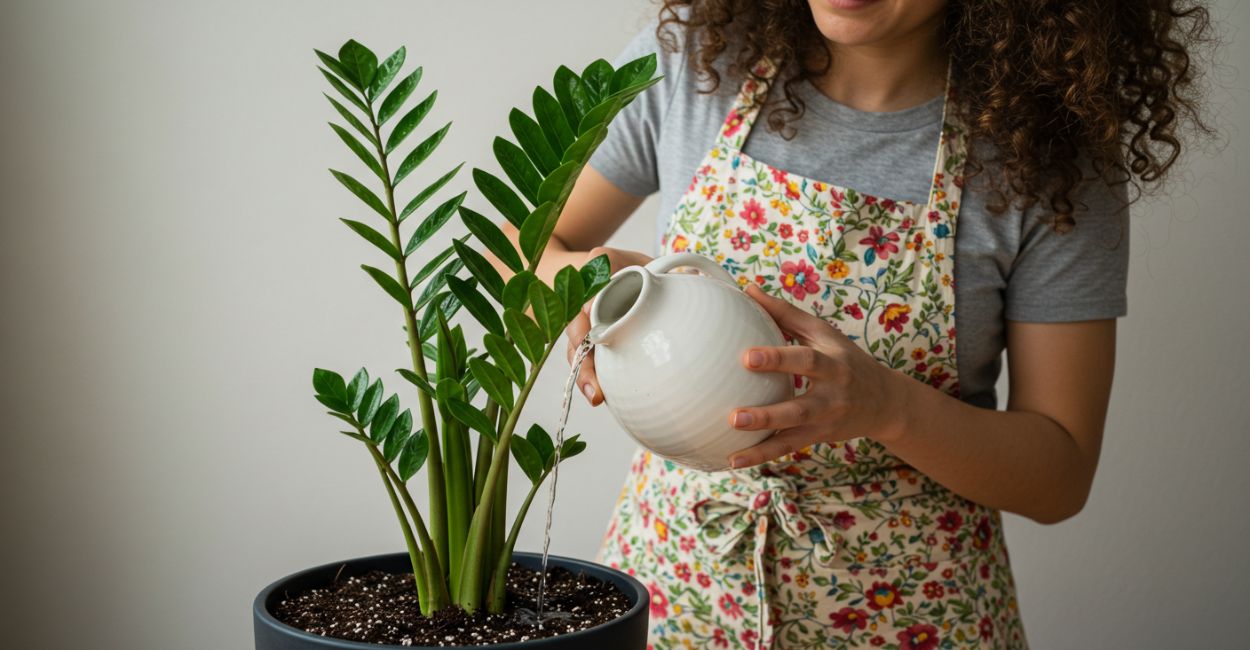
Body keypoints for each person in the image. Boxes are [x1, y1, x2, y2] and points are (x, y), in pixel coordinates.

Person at [501, 1, 1210, 647]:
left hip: (913, 616)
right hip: (678, 589)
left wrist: (886, 404)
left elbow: (1059, 475)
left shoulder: (1048, 158)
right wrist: (590, 284)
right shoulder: (699, 63)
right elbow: (513, 247)